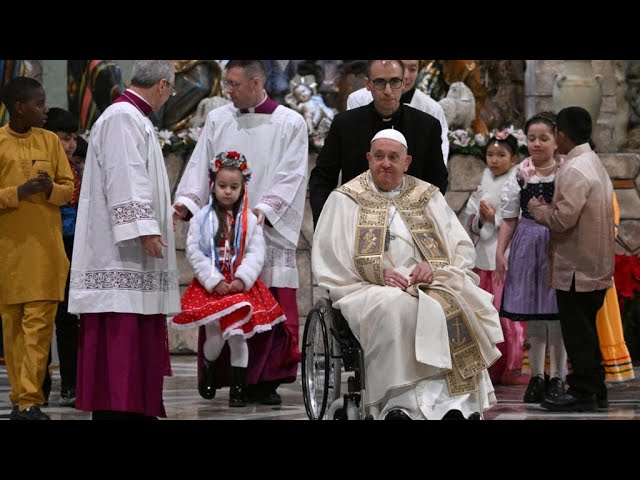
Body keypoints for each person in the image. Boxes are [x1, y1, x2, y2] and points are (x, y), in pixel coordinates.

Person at [312, 129, 503, 420]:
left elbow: (460, 245)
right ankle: (397, 403)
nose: (385, 164)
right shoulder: (346, 198)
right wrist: (377, 272)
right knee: (396, 308)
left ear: (407, 161)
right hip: (366, 287)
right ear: (368, 158)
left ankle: (451, 405)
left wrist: (435, 266)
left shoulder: (426, 195)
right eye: (379, 157)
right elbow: (330, 254)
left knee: (450, 306)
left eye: (393, 157)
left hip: (428, 283)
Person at [174, 60, 307, 405]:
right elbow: (199, 163)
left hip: (265, 228)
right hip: (221, 230)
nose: (226, 90)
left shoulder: (290, 123)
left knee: (269, 304)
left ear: (256, 82)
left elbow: (291, 174)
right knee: (225, 303)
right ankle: (224, 376)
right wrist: (188, 202)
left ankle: (267, 381)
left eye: (233, 84)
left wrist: (262, 212)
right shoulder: (218, 119)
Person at [68, 60, 181, 420]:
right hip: (120, 253)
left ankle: (135, 408)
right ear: (162, 86)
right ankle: (121, 410)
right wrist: (144, 227)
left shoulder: (131, 116)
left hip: (130, 252)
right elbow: (125, 176)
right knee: (121, 335)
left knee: (137, 331)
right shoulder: (122, 117)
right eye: (172, 90)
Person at [171, 151, 286, 407]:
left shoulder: (250, 221)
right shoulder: (202, 219)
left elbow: (257, 252)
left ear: (243, 187)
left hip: (238, 288)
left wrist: (243, 278)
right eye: (222, 186)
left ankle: (238, 389)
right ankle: (209, 365)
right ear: (213, 185)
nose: (227, 192)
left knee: (238, 335)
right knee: (216, 337)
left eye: (234, 187)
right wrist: (212, 279)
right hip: (213, 287)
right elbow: (195, 251)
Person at [529, 106, 615, 412]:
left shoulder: (574, 169)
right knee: (587, 332)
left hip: (577, 268)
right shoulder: (592, 161)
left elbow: (563, 219)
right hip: (594, 264)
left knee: (578, 335)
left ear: (562, 135)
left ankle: (583, 393)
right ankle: (596, 389)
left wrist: (538, 208)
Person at [0, 76, 74, 420]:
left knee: (39, 328)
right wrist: (20, 191)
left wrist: (47, 192)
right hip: (9, 254)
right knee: (13, 329)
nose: (45, 111)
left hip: (46, 252)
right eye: (38, 104)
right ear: (18, 106)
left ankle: (30, 399)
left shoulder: (49, 142)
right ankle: (20, 399)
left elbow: (68, 188)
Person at [309, 60, 447, 227]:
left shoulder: (427, 126)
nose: (388, 91)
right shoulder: (345, 124)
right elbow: (322, 179)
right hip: (354, 222)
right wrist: (325, 225)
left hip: (409, 227)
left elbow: (437, 181)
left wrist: (424, 223)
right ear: (368, 84)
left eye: (395, 81)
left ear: (403, 83)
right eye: (380, 82)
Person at [496, 111, 567, 404]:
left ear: (556, 141)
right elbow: (510, 217)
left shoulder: (566, 172)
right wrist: (501, 252)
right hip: (527, 245)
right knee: (535, 317)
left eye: (544, 138)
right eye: (532, 138)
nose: (536, 144)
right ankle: (537, 375)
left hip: (556, 245)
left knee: (557, 315)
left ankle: (559, 377)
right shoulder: (519, 174)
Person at [464, 130, 527, 385]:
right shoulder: (483, 181)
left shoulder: (517, 181)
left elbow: (522, 218)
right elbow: (470, 218)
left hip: (506, 258)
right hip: (483, 259)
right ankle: (489, 367)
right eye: (490, 154)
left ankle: (511, 367)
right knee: (485, 314)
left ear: (513, 158)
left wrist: (495, 219)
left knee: (506, 316)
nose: (495, 160)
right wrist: (480, 218)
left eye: (501, 155)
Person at [41, 107, 82, 407]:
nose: (69, 145)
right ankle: (38, 386)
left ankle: (71, 384)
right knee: (40, 318)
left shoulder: (78, 169)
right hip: (42, 246)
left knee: (67, 319)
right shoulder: (39, 168)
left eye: (72, 139)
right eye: (64, 138)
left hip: (72, 246)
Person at [347, 59, 450, 163]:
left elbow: (439, 159)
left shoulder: (432, 108)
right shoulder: (358, 100)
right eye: (402, 67)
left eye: (413, 69)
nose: (406, 76)